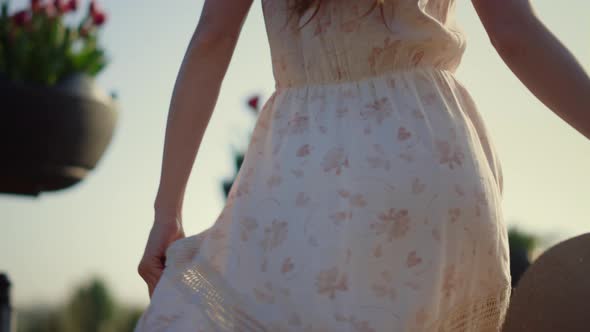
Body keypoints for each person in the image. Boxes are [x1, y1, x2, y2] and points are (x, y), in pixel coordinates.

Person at [135, 0, 590, 331]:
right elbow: (516, 32)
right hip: (436, 153)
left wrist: (166, 212)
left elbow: (214, 36)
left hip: (309, 165)